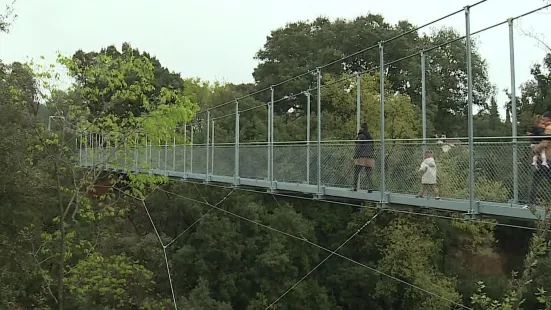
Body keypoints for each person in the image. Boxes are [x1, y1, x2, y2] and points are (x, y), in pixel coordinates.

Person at [529, 111, 551, 204]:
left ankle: (531, 201)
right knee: (544, 178)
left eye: (544, 118)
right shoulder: (546, 127)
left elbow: (544, 143)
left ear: (548, 118)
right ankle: (532, 200)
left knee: (536, 180)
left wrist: (534, 150)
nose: (543, 119)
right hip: (547, 158)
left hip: (547, 157)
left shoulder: (548, 128)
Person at [351, 123, 374, 192]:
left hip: (361, 156)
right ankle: (370, 188)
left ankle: (354, 187)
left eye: (360, 127)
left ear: (362, 128)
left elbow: (358, 147)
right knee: (369, 174)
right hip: (370, 156)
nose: (359, 128)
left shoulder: (361, 136)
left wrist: (354, 157)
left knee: (356, 172)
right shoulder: (370, 137)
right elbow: (372, 148)